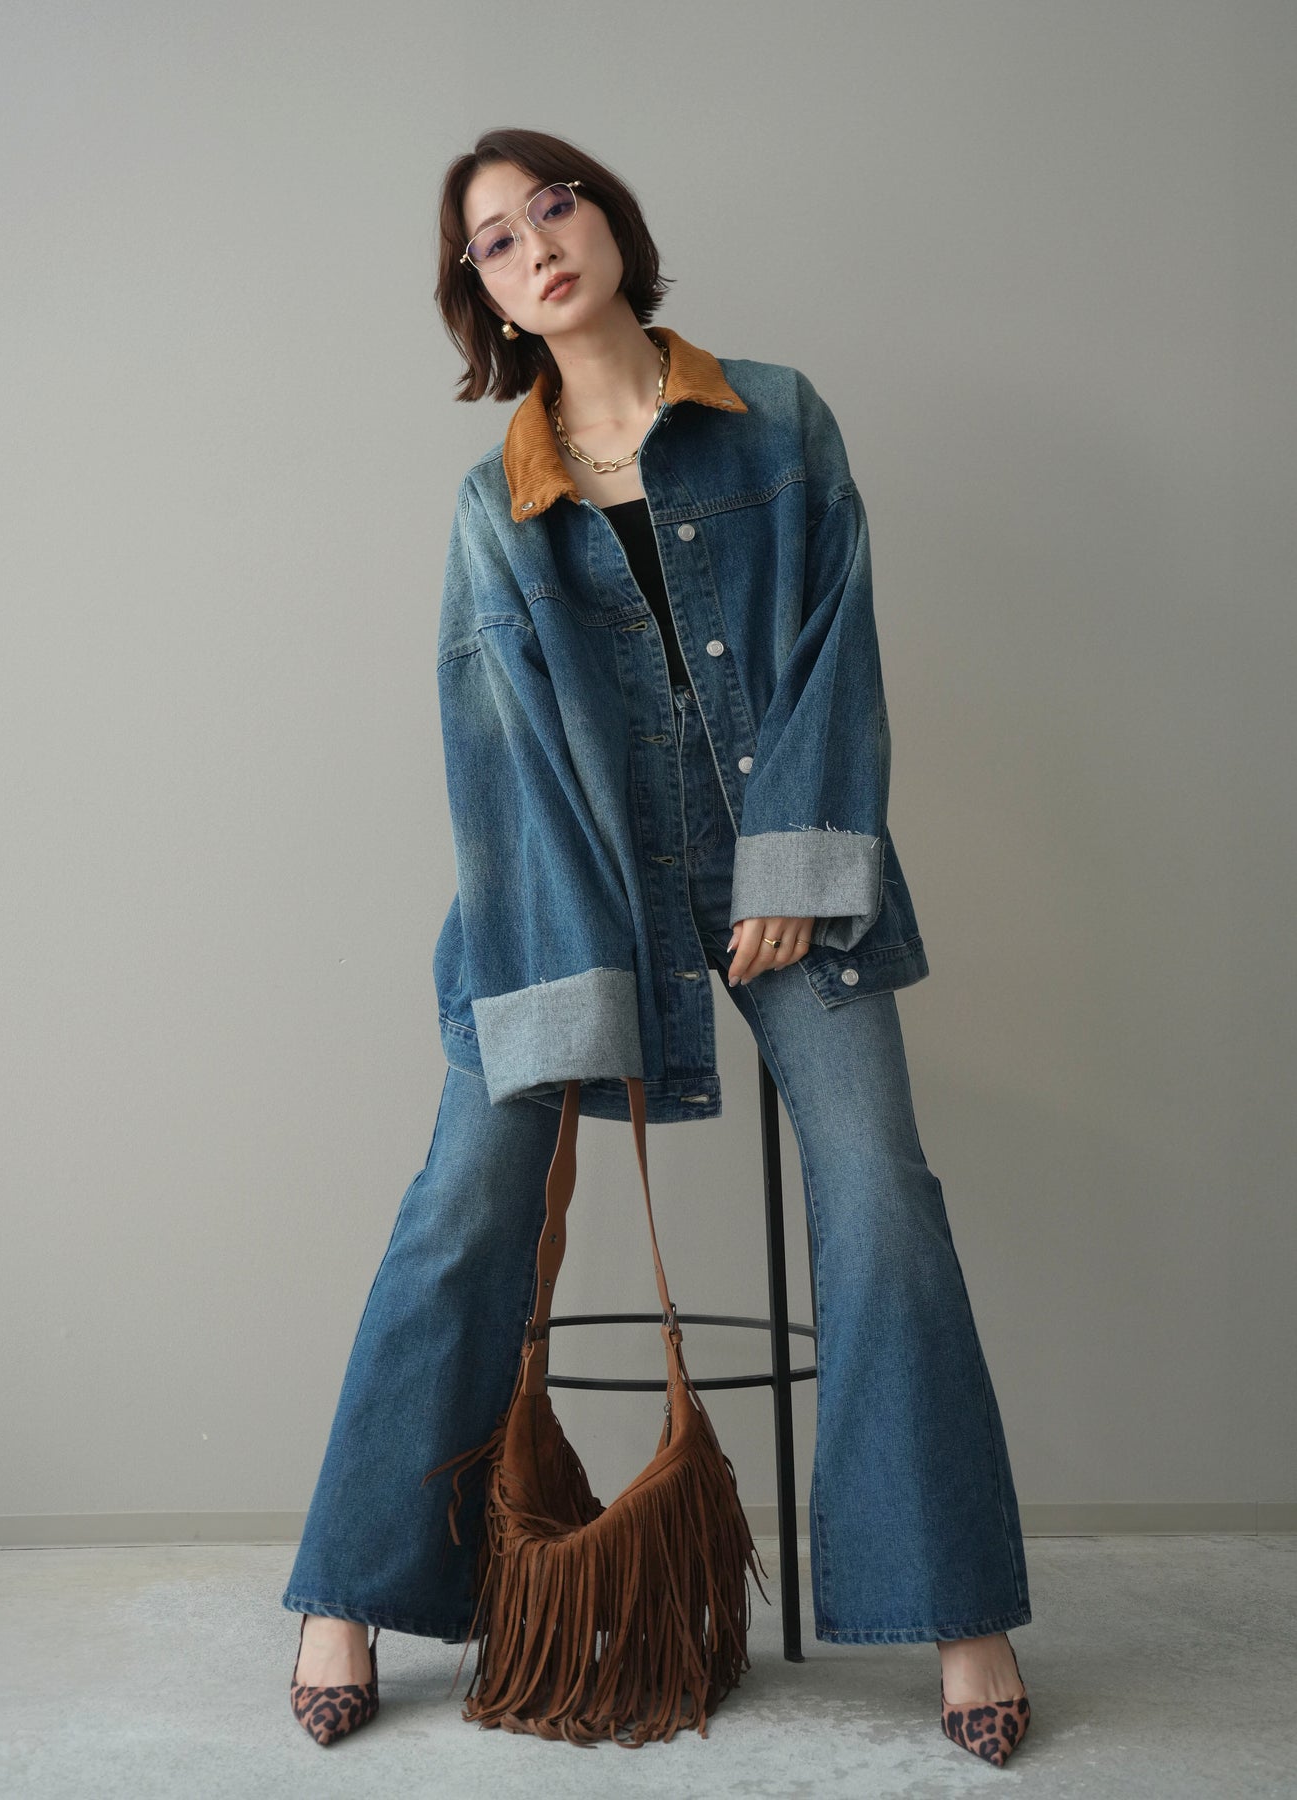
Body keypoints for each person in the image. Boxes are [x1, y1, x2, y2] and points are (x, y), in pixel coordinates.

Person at [281, 129, 1033, 1768]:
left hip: (782, 871)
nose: (536, 244)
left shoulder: (776, 416)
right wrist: (584, 964)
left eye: (552, 206)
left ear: (609, 220)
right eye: (494, 240)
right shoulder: (499, 501)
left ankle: (956, 1608)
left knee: (882, 1195)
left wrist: (795, 859)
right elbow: (500, 757)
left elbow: (835, 641)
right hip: (567, 887)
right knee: (461, 1206)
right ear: (483, 297)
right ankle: (346, 1592)